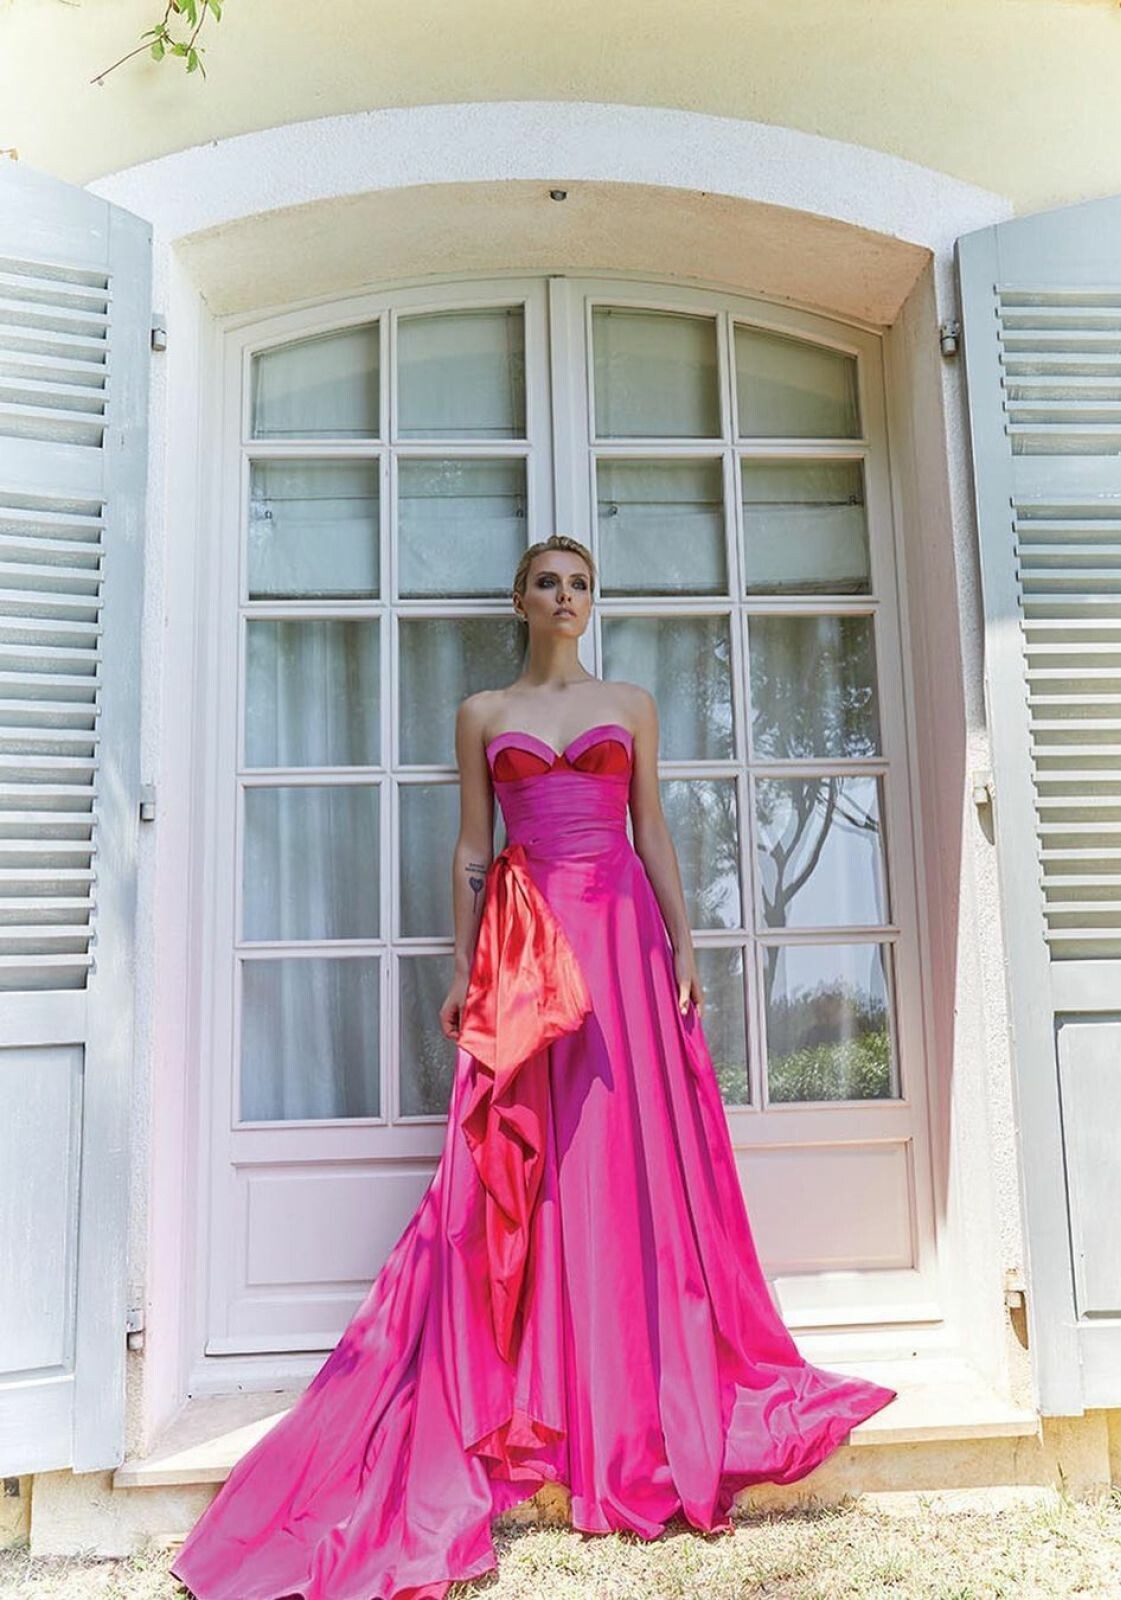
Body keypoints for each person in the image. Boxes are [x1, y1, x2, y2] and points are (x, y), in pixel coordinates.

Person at [169, 534, 897, 1600]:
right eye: (548, 582)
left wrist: (685, 947)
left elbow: (653, 828)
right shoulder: (482, 713)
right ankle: (534, 1382)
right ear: (520, 598)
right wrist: (464, 968)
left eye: (581, 583)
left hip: (621, 938)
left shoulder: (631, 704)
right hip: (524, 951)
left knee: (619, 1152)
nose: (565, 596)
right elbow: (472, 847)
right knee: (522, 1166)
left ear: (593, 602)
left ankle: (625, 1389)